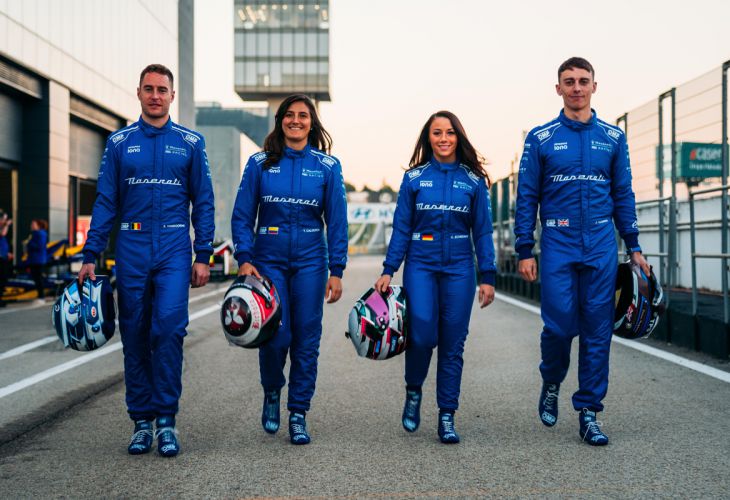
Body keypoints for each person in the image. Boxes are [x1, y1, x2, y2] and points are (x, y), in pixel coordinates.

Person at [78, 64, 215, 457]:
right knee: (135, 333)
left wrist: (203, 254)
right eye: (149, 89)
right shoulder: (119, 142)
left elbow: (203, 201)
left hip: (173, 245)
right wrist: (91, 253)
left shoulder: (191, 142)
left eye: (162, 90)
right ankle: (141, 422)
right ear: (138, 92)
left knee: (169, 329)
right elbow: (106, 201)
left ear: (172, 95)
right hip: (132, 245)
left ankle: (166, 421)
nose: (156, 95)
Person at [515, 57, 651, 446]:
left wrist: (634, 245)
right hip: (558, 244)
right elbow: (526, 196)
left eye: (583, 81)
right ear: (558, 88)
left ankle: (589, 412)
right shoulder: (540, 138)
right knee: (559, 326)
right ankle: (551, 380)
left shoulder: (613, 137)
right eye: (569, 81)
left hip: (601, 245)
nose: (577, 87)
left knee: (597, 330)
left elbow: (623, 193)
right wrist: (525, 249)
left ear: (594, 86)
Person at [231, 94, 348, 445]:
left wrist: (337, 269)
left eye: (303, 115)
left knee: (306, 338)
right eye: (290, 115)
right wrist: (245, 257)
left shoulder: (327, 166)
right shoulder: (259, 163)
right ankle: (272, 389)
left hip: (311, 261)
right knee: (275, 336)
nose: (296, 120)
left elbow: (337, 222)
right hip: (268, 261)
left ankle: (298, 413)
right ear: (280, 120)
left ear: (312, 123)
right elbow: (242, 215)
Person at [375, 111, 496, 444]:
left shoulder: (473, 180)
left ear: (459, 137)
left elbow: (483, 232)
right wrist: (389, 269)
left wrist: (487, 275)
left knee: (453, 343)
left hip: (460, 267)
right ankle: (414, 390)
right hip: (421, 265)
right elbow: (402, 227)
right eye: (437, 133)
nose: (444, 138)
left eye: (450, 132)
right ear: (428, 138)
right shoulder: (414, 178)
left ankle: (447, 415)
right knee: (422, 335)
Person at [26, 219, 48, 304]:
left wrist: (29, 244)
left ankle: (41, 297)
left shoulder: (40, 234)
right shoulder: (36, 234)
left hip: (38, 260)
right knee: (36, 278)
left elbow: (40, 246)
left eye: (33, 224)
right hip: (35, 259)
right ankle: (40, 296)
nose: (31, 226)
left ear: (38, 226)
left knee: (38, 278)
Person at [0, 210, 11, 307]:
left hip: (3, 256)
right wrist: (6, 225)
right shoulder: (3, 228)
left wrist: (7, 253)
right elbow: (2, 233)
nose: (5, 221)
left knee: (3, 278)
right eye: (3, 219)